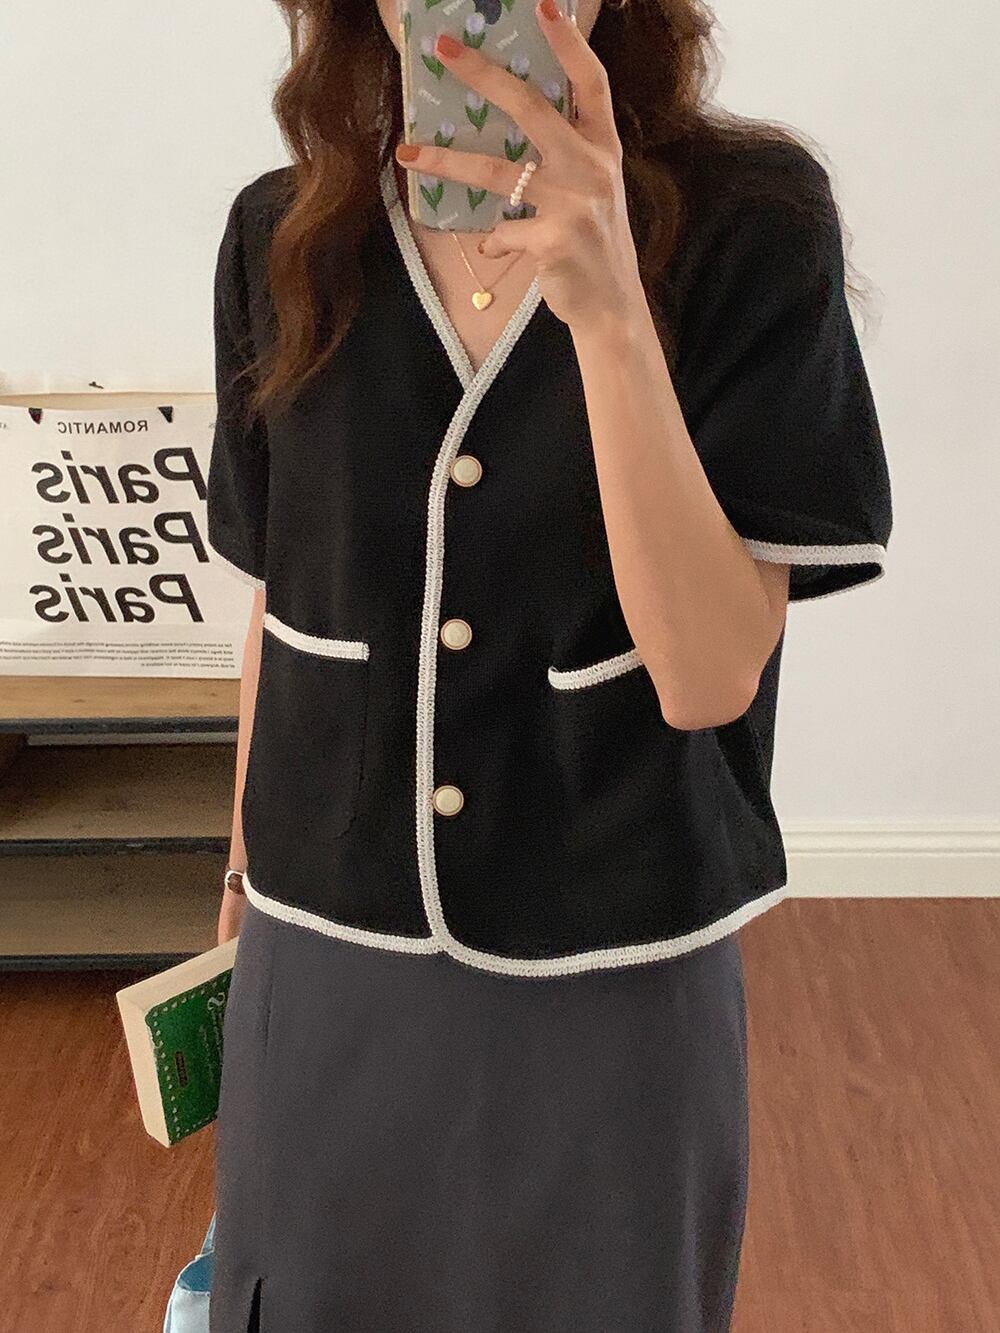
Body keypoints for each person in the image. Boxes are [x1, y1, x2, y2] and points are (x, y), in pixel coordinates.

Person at [204, 1, 893, 1329]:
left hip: (614, 945)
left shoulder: (754, 224)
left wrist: (611, 312)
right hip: (325, 942)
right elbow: (289, 606)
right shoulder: (283, 235)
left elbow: (709, 677)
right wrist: (238, 890)